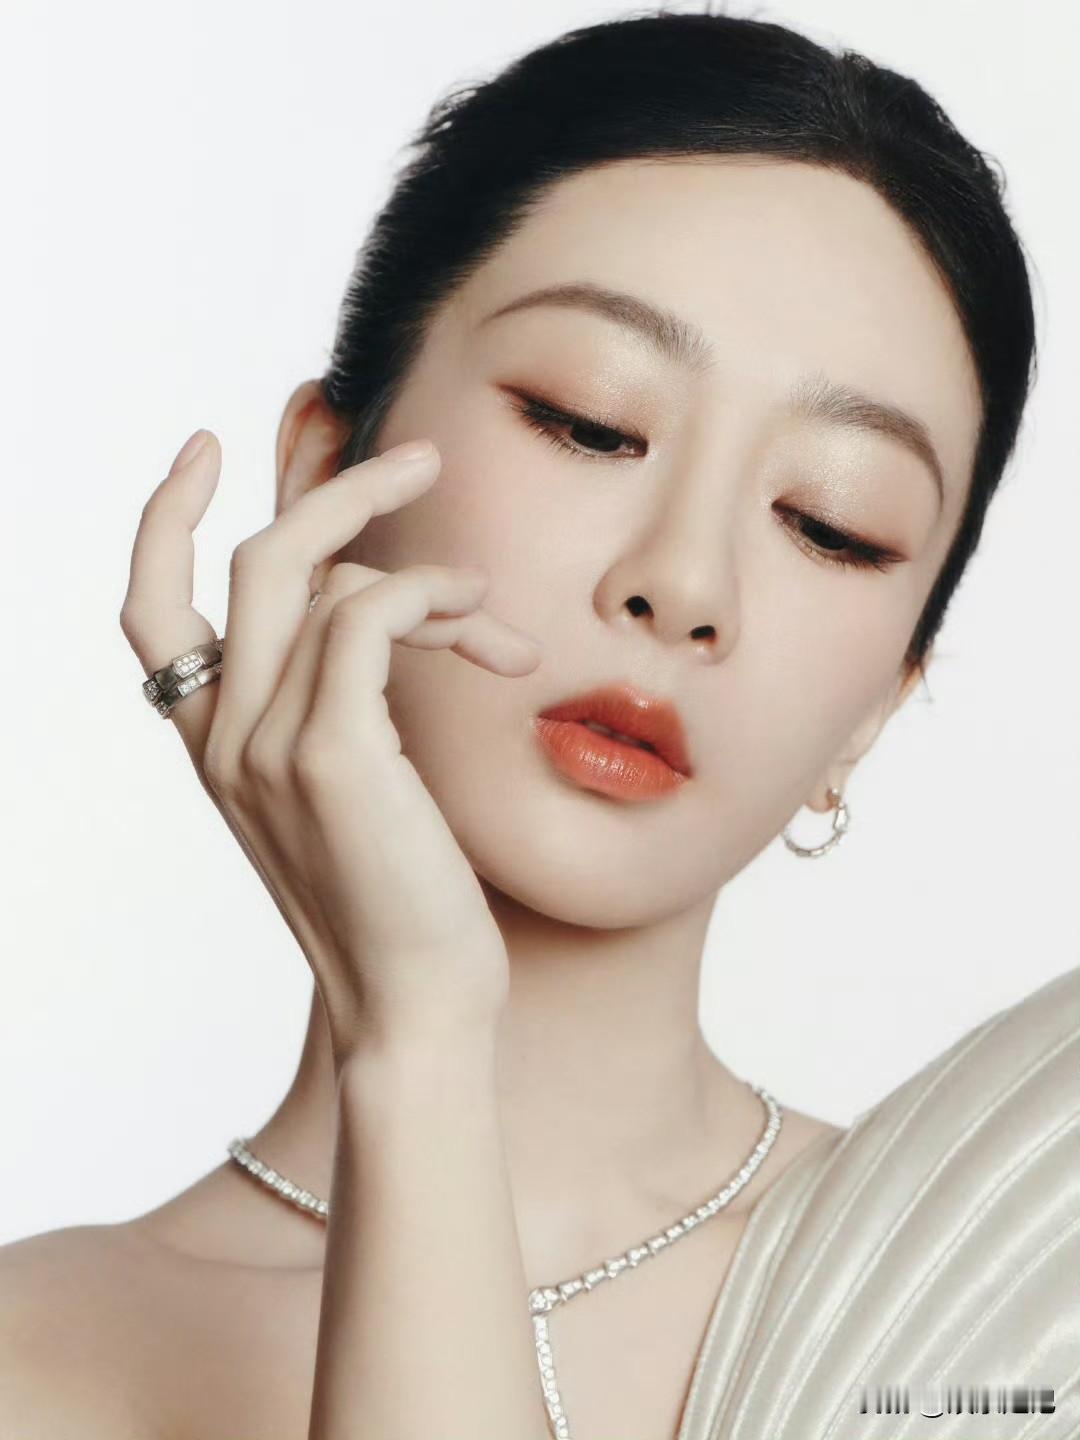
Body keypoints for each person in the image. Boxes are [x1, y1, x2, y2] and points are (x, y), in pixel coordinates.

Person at [3, 8, 1077, 1439]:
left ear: (876, 707)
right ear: (327, 480)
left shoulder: (1001, 1314)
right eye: (589, 422)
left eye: (832, 523)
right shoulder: (37, 1362)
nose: (683, 585)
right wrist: (418, 1036)